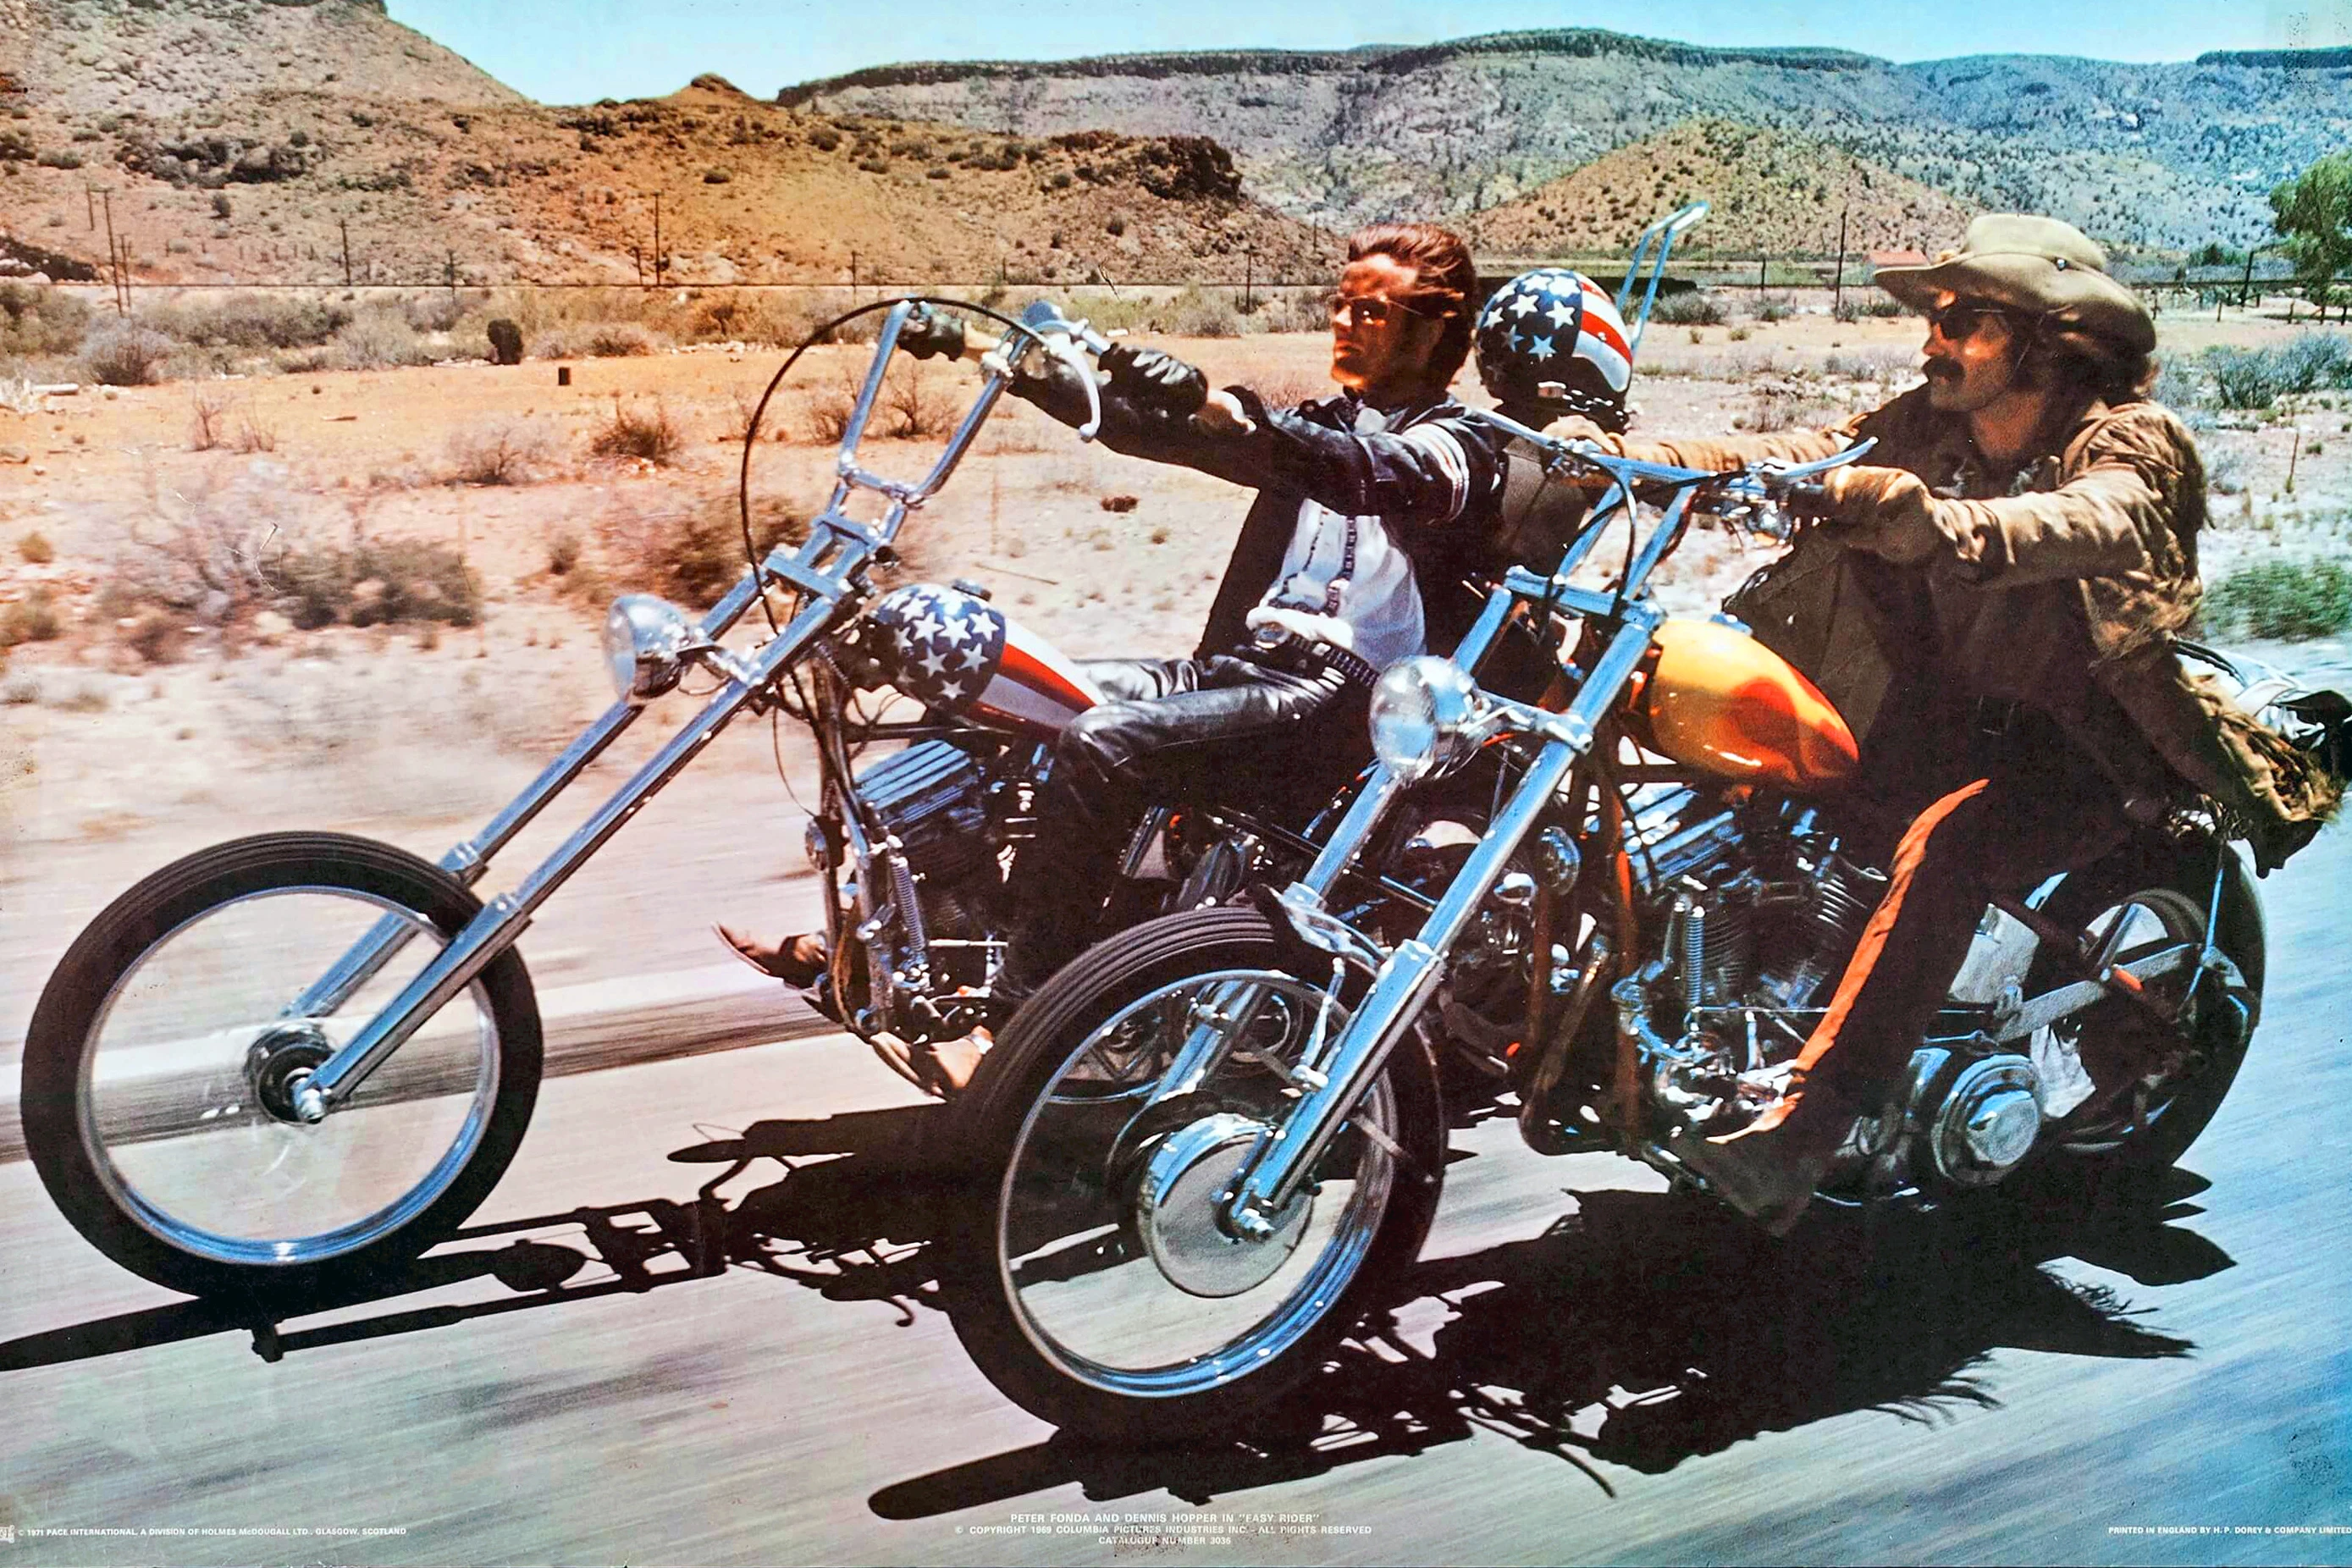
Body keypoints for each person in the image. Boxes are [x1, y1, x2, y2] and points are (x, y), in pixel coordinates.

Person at [1560, 213, 2337, 1233]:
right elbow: (1798, 451)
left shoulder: (2126, 436)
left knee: (1950, 846)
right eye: (1936, 316)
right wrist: (1625, 455)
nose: (1934, 337)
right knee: (1753, 780)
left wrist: (1943, 523)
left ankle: (1807, 1132)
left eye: (1965, 319)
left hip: (2085, 739)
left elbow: (2103, 517)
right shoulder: (1931, 424)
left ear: (2047, 339)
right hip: (1938, 716)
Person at [723, 221, 1510, 1094]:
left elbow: (1359, 469)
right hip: (1247, 665)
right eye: (1338, 302)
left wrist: (1220, 405)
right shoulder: (1328, 419)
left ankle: (1017, 1027)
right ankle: (894, 949)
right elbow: (1154, 432)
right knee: (995, 690)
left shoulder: (1464, 447)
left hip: (1340, 703)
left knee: (1106, 742)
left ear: (1437, 324)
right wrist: (997, 350)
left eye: (1371, 308)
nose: (1343, 321)